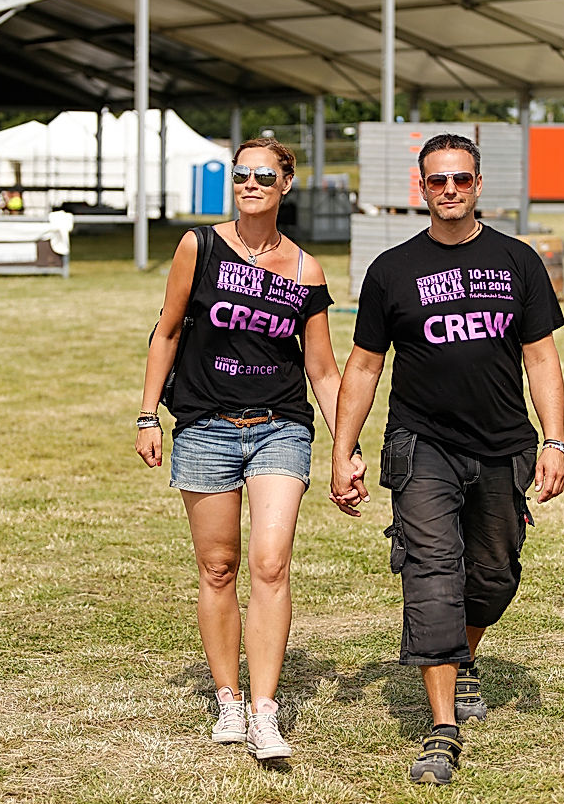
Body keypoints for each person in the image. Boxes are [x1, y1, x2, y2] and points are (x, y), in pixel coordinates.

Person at [331, 132, 564, 785]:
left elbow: (541, 357)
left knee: (492, 575)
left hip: (503, 444)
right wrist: (342, 450)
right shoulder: (391, 269)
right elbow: (363, 366)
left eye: (461, 178)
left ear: (478, 184)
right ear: (422, 188)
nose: (450, 190)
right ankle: (442, 730)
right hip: (421, 444)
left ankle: (462, 658)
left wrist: (553, 440)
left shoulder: (517, 260)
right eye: (437, 180)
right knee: (432, 575)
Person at [136, 137, 360, 761]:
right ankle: (228, 699)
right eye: (242, 174)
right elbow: (167, 331)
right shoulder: (199, 246)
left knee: (270, 563)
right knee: (218, 567)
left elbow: (323, 369)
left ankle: (264, 710)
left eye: (264, 175)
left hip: (279, 427)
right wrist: (148, 414)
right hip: (205, 425)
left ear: (287, 183)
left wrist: (345, 447)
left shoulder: (305, 270)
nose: (251, 184)